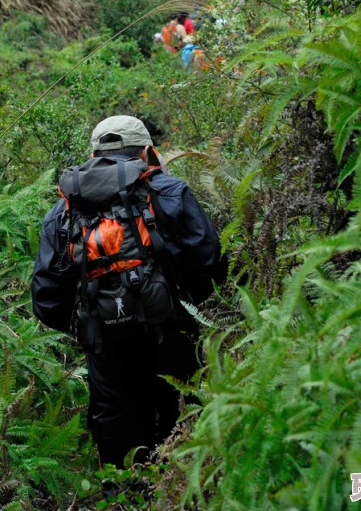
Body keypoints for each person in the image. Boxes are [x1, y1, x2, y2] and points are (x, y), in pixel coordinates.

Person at [31, 115, 225, 469]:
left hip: (105, 345)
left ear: (92, 154)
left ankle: (125, 496)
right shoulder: (169, 192)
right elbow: (211, 262)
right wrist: (181, 305)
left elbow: (45, 299)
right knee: (181, 412)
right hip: (173, 331)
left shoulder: (63, 212)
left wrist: (92, 325)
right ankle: (183, 489)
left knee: (117, 424)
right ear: (148, 152)